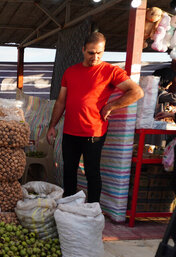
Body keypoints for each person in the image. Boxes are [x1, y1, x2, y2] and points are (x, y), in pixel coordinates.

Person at [46, 32, 144, 203]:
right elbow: (61, 101)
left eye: (99, 53)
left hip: (94, 132)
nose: (95, 57)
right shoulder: (70, 71)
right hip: (70, 131)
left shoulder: (111, 71)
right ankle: (69, 207)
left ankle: (93, 210)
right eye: (91, 52)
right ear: (83, 50)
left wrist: (112, 106)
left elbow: (137, 92)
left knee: (92, 172)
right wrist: (52, 126)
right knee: (68, 170)